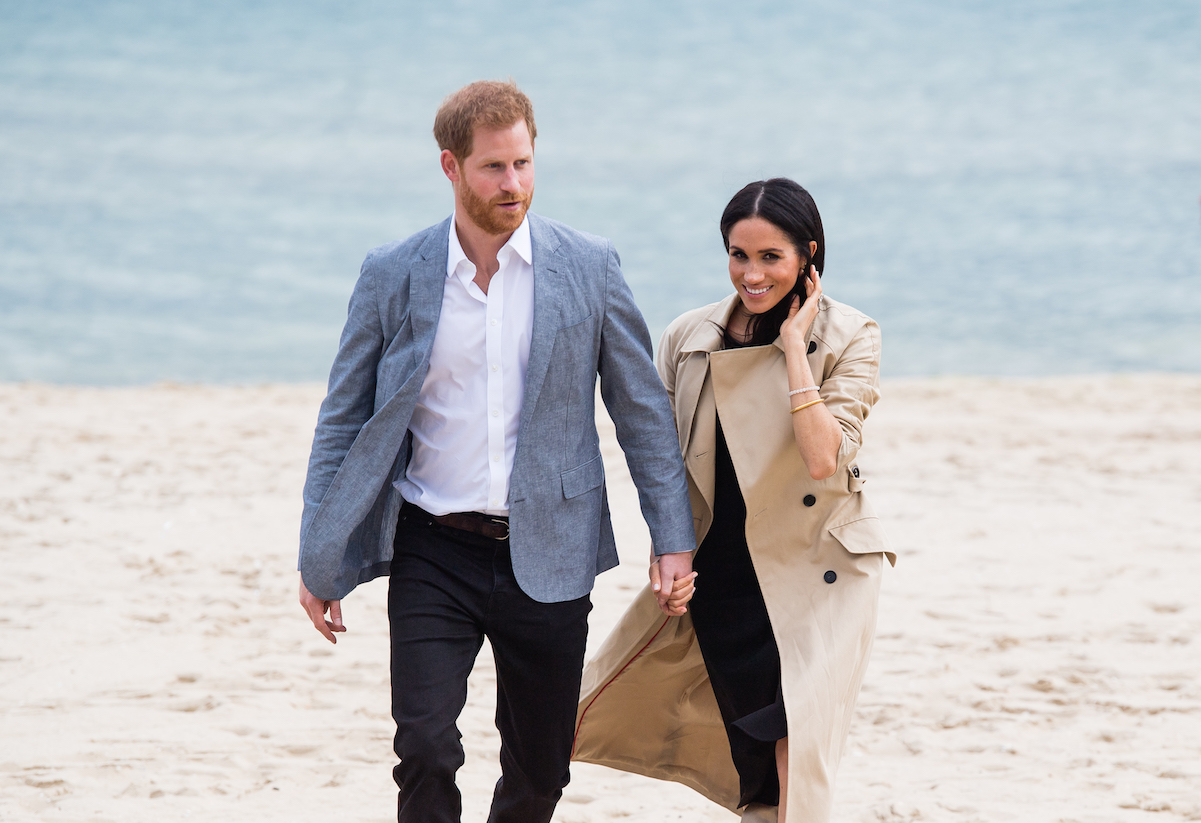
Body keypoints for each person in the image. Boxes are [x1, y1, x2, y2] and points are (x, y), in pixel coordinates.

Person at [296, 80, 696, 823]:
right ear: (450, 167)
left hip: (551, 545)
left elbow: (641, 413)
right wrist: (319, 549)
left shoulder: (588, 265)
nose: (513, 184)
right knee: (423, 745)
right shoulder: (393, 272)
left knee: (540, 765)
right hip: (432, 545)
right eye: (492, 168)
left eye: (522, 163)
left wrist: (672, 538)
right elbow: (342, 418)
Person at [572, 178, 896, 823]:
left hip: (815, 572)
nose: (751, 274)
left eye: (770, 257)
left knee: (797, 748)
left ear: (808, 254)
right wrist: (670, 548)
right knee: (755, 766)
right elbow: (661, 463)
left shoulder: (852, 334)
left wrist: (795, 353)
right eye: (737, 255)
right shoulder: (689, 337)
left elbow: (824, 455)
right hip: (723, 572)